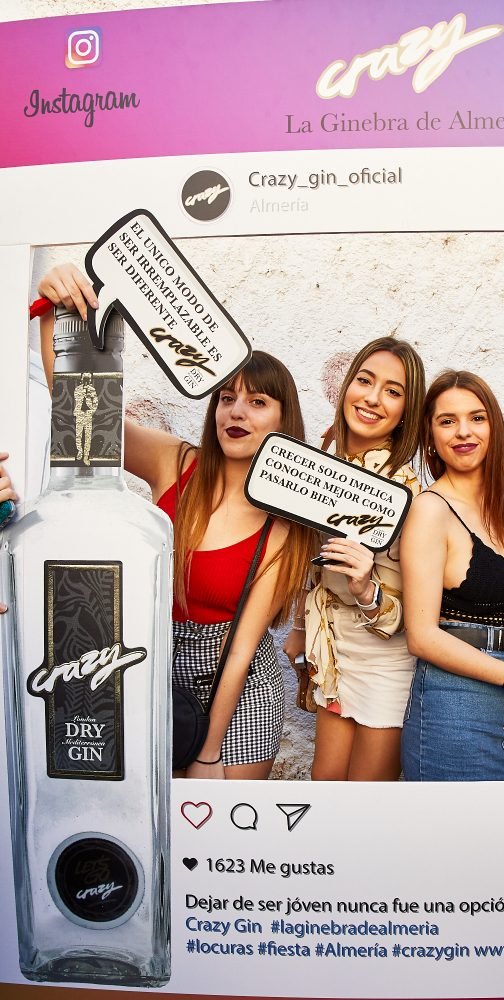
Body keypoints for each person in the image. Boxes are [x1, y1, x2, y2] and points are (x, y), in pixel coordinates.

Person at [36, 263, 315, 780]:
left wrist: (208, 752)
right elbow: (84, 413)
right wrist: (54, 316)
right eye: (226, 399)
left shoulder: (285, 521)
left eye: (257, 402)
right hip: (153, 665)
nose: (236, 412)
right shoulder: (177, 463)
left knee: (218, 820)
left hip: (238, 691)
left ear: (284, 419)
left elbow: (242, 650)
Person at [400, 370, 504, 782]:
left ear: (493, 427)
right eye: (447, 421)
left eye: (476, 418)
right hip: (455, 709)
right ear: (430, 436)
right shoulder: (430, 509)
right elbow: (422, 636)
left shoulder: (503, 510)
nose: (463, 431)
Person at [283, 337, 424, 781]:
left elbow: (416, 615)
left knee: (365, 804)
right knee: (324, 789)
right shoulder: (324, 465)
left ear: (407, 410)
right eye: (365, 381)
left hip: (385, 661)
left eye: (393, 391)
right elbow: (314, 562)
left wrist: (366, 589)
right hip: (334, 651)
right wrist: (300, 628)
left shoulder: (409, 494)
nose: (372, 398)